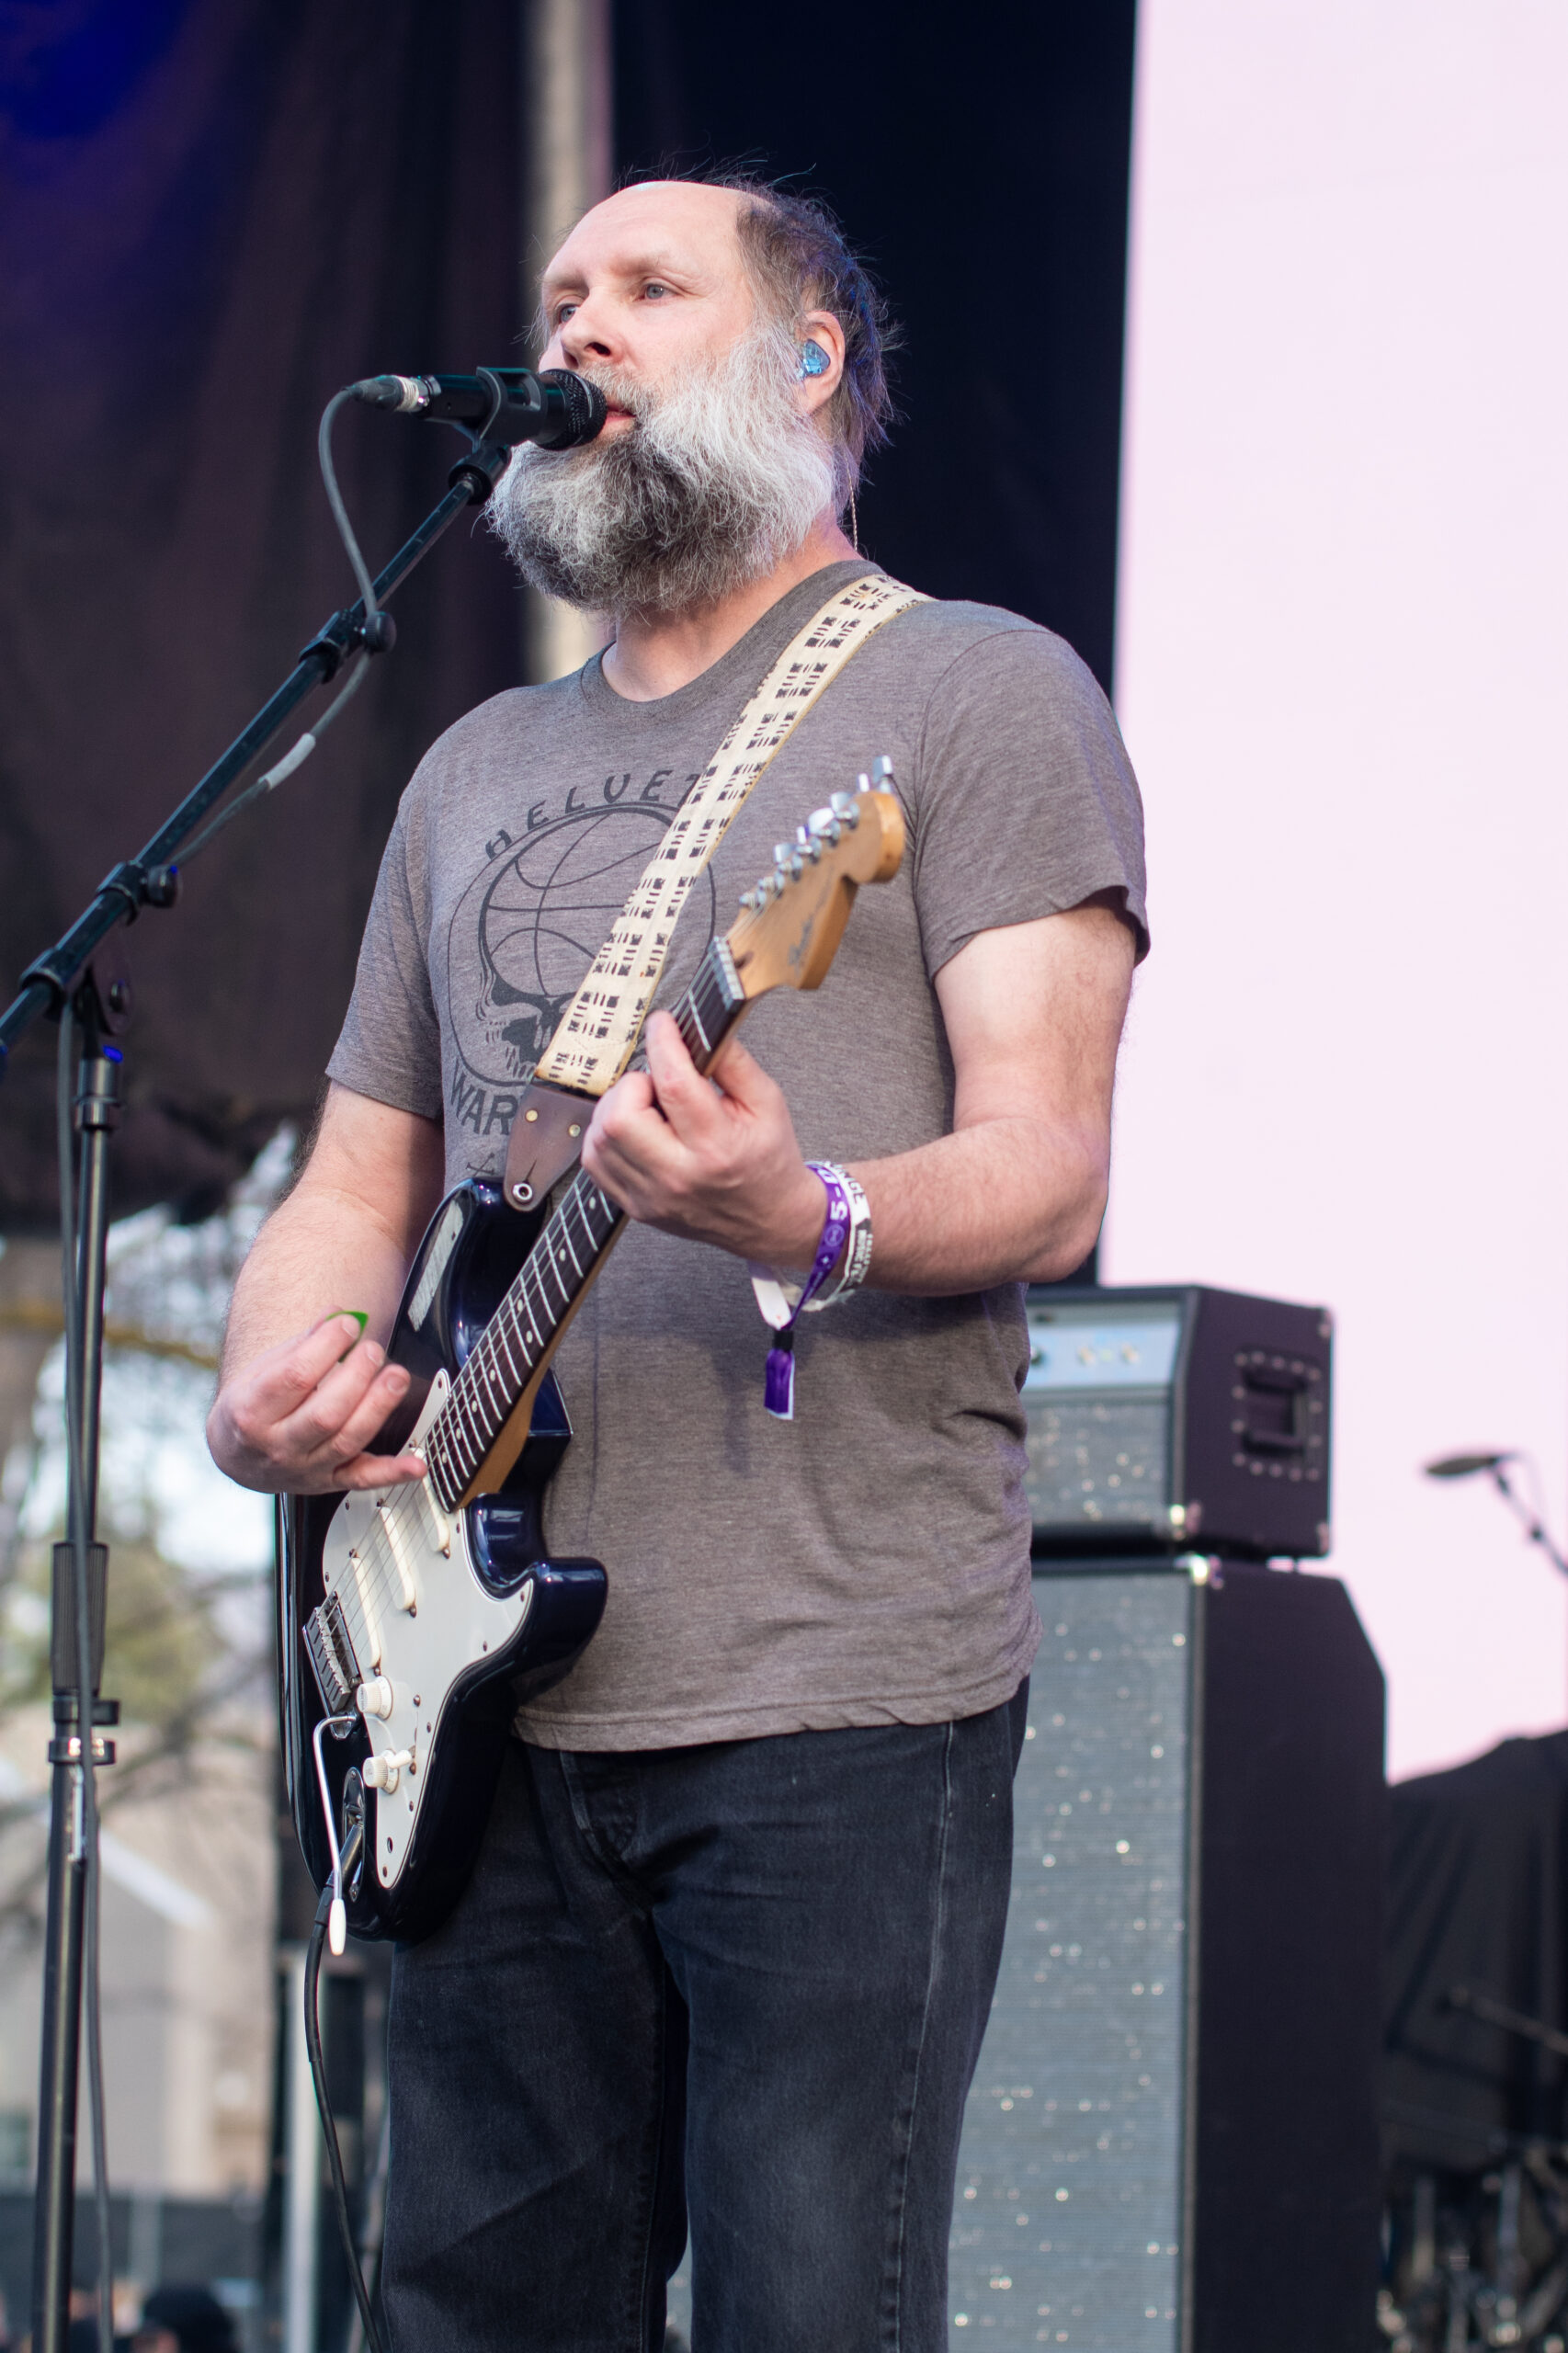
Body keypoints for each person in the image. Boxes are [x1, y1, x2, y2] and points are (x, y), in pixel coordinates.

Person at [208, 174, 1146, 2351]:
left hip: (833, 1683)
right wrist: (280, 1373)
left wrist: (807, 1211)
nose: (585, 326)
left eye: (648, 287)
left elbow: (1051, 1160)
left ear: (804, 361)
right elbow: (360, 1183)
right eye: (560, 294)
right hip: (474, 1695)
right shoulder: (473, 763)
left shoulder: (974, 692)